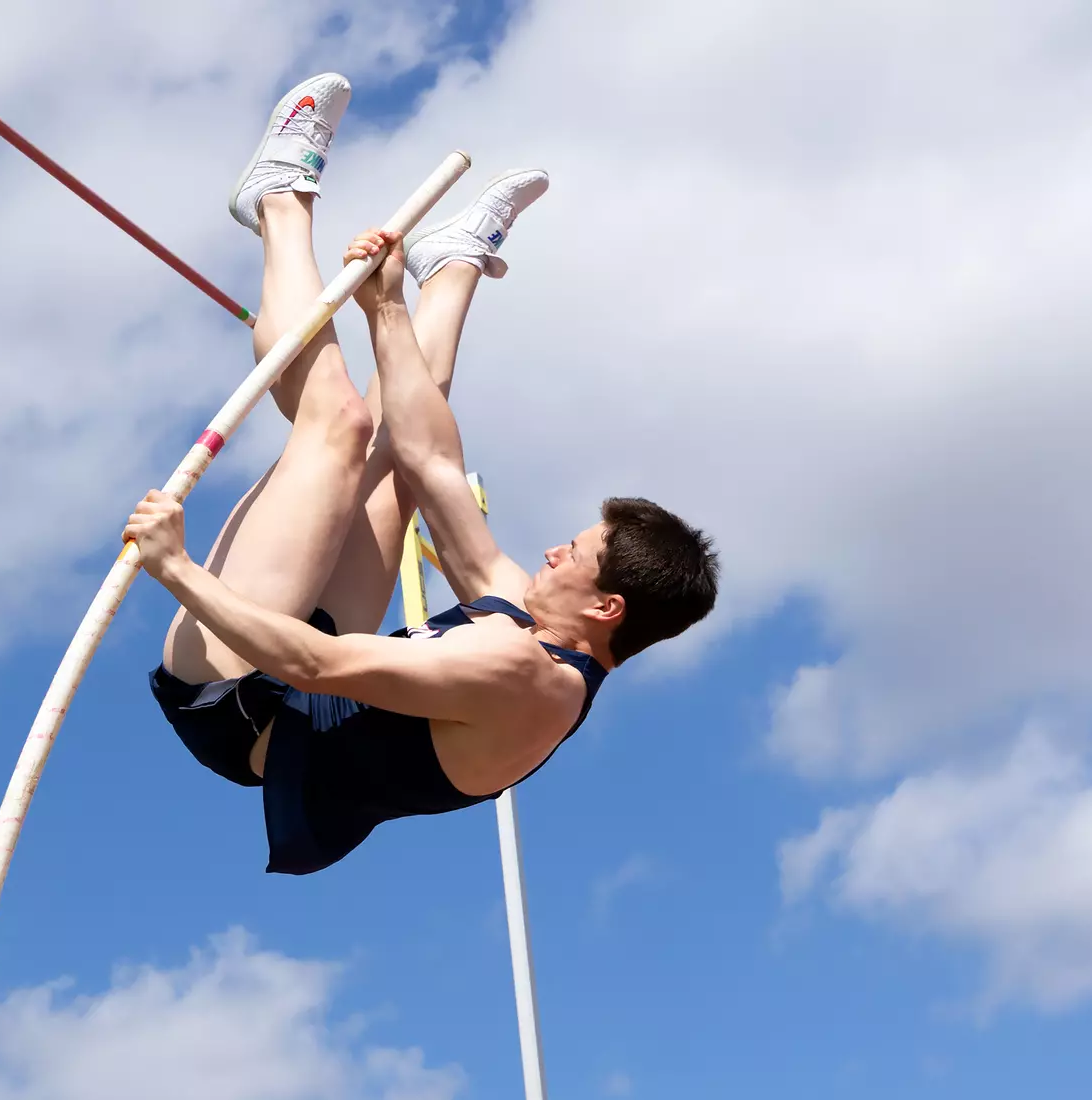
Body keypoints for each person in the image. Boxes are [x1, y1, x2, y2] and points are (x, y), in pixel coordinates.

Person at [125, 73, 719, 875]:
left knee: (337, 425)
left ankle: (277, 201)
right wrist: (389, 307)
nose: (549, 552)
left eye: (572, 555)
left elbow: (313, 666)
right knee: (402, 469)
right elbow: (432, 458)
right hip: (306, 672)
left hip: (239, 700)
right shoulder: (521, 618)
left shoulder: (521, 674)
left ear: (607, 605)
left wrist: (177, 569)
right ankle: (454, 266)